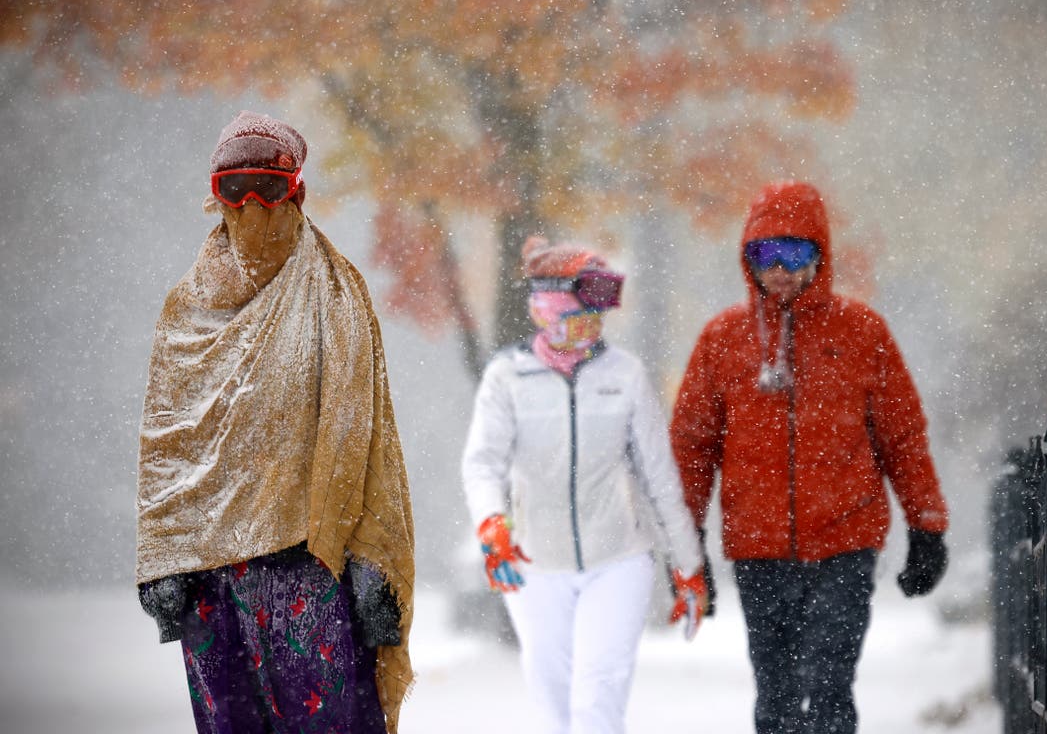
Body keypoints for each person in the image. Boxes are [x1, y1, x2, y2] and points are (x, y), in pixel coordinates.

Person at [135, 111, 416, 734]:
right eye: (234, 191)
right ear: (216, 200)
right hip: (212, 582)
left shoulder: (338, 297)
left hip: (311, 571)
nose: (254, 207)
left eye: (270, 187)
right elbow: (166, 443)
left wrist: (375, 563)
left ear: (298, 192)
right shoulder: (187, 309)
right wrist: (161, 557)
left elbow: (367, 439)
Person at [669, 181, 950, 734]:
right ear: (746, 259)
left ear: (821, 255)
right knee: (775, 698)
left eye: (795, 254)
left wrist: (927, 525)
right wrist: (686, 545)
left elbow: (902, 437)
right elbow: (692, 447)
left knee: (827, 689)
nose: (779, 269)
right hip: (758, 548)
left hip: (845, 543)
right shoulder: (722, 339)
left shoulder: (862, 333)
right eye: (763, 254)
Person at [460, 236, 709, 734]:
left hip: (619, 559)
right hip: (534, 563)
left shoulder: (626, 376)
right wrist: (492, 527)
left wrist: (688, 566)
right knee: (553, 698)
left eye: (597, 319)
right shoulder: (508, 378)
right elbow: (483, 464)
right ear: (546, 314)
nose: (591, 331)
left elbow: (660, 479)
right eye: (578, 319)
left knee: (598, 695)